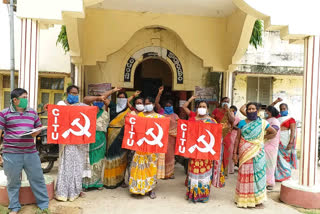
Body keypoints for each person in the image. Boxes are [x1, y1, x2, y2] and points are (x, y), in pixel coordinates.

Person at [0, 88, 49, 214]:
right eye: (24, 98)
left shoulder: (32, 113)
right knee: (13, 181)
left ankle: (44, 205)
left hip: (30, 153)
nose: (26, 100)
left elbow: (36, 131)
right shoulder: (4, 113)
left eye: (27, 97)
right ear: (15, 100)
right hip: (11, 154)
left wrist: (37, 131)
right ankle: (14, 207)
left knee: (37, 178)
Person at [233, 102, 277, 208]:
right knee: (245, 174)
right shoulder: (242, 123)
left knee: (258, 175)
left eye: (253, 109)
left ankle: (257, 199)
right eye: (249, 109)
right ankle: (243, 199)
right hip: (244, 153)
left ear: (257, 111)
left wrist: (262, 138)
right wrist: (235, 154)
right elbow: (237, 138)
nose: (251, 111)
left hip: (258, 153)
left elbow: (274, 132)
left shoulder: (263, 123)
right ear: (246, 111)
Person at [55, 85, 91, 201]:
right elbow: (56, 118)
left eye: (76, 93)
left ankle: (76, 190)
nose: (74, 95)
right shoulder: (61, 105)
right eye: (72, 93)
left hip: (79, 142)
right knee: (67, 165)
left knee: (78, 165)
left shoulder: (81, 106)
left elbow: (90, 111)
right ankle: (64, 192)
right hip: (66, 141)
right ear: (67, 93)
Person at [182, 96, 219, 202]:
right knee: (193, 173)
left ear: (207, 109)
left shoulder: (212, 121)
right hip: (194, 152)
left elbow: (215, 137)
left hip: (206, 153)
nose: (202, 108)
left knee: (204, 173)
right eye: (200, 106)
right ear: (197, 108)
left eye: (204, 106)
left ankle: (203, 195)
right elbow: (188, 135)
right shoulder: (192, 120)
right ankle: (193, 194)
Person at [129, 97, 163, 199]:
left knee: (150, 168)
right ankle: (137, 188)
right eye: (146, 103)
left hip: (152, 148)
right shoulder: (139, 116)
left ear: (153, 104)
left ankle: (150, 189)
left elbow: (162, 132)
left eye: (149, 103)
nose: (147, 105)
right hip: (140, 147)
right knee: (138, 166)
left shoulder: (159, 117)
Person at [82, 89, 116, 190]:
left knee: (99, 162)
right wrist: (98, 97)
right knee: (87, 162)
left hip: (101, 141)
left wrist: (106, 145)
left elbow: (105, 130)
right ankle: (85, 184)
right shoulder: (87, 110)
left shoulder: (105, 114)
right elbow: (85, 99)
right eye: (98, 100)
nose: (100, 103)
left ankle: (97, 183)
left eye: (102, 101)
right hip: (88, 139)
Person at [103, 89, 131, 188]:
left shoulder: (129, 110)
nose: (121, 99)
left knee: (122, 157)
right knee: (111, 155)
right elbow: (103, 97)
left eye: (124, 98)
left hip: (123, 135)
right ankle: (110, 180)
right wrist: (113, 90)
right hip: (111, 133)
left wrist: (129, 101)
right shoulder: (113, 106)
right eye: (119, 97)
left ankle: (121, 180)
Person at [155, 86, 179, 179]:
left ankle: (170, 173)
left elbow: (179, 127)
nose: (168, 107)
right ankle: (162, 173)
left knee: (170, 156)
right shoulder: (161, 113)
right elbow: (156, 103)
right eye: (167, 106)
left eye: (170, 106)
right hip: (162, 138)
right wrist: (159, 93)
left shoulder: (175, 116)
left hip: (172, 139)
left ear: (172, 106)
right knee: (162, 156)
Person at [272, 100, 297, 182]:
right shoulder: (277, 118)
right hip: (276, 139)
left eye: (284, 108)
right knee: (276, 157)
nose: (283, 110)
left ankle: (286, 175)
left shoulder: (291, 119)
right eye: (281, 109)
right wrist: (276, 102)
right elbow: (270, 109)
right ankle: (277, 176)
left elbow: (293, 131)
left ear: (287, 109)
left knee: (285, 157)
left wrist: (291, 142)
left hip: (285, 139)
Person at [212, 97, 234, 182]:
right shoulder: (216, 110)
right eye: (224, 101)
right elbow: (212, 120)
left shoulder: (230, 111)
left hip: (227, 134)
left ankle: (224, 171)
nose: (226, 103)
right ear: (221, 102)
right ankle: (215, 169)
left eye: (228, 102)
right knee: (216, 150)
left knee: (226, 152)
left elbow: (232, 120)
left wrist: (228, 111)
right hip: (216, 133)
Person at [264, 105, 281, 190]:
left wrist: (263, 136)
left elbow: (274, 132)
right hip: (265, 144)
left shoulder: (274, 121)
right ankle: (264, 181)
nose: (266, 113)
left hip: (271, 145)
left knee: (270, 164)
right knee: (264, 164)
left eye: (267, 111)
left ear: (271, 112)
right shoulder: (266, 120)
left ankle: (270, 183)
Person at [228, 105, 240, 174]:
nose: (232, 112)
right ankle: (228, 168)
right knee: (228, 152)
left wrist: (232, 126)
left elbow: (238, 127)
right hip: (229, 136)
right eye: (231, 111)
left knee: (232, 152)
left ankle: (231, 169)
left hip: (234, 136)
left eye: (233, 111)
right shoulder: (227, 118)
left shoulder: (237, 119)